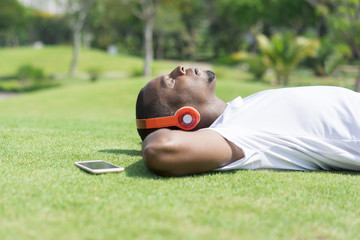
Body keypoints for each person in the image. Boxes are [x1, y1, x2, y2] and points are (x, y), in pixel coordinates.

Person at [135, 66, 360, 177]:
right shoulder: (236, 133)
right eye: (171, 82)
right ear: (185, 119)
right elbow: (159, 149)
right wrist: (156, 128)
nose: (179, 69)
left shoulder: (240, 111)